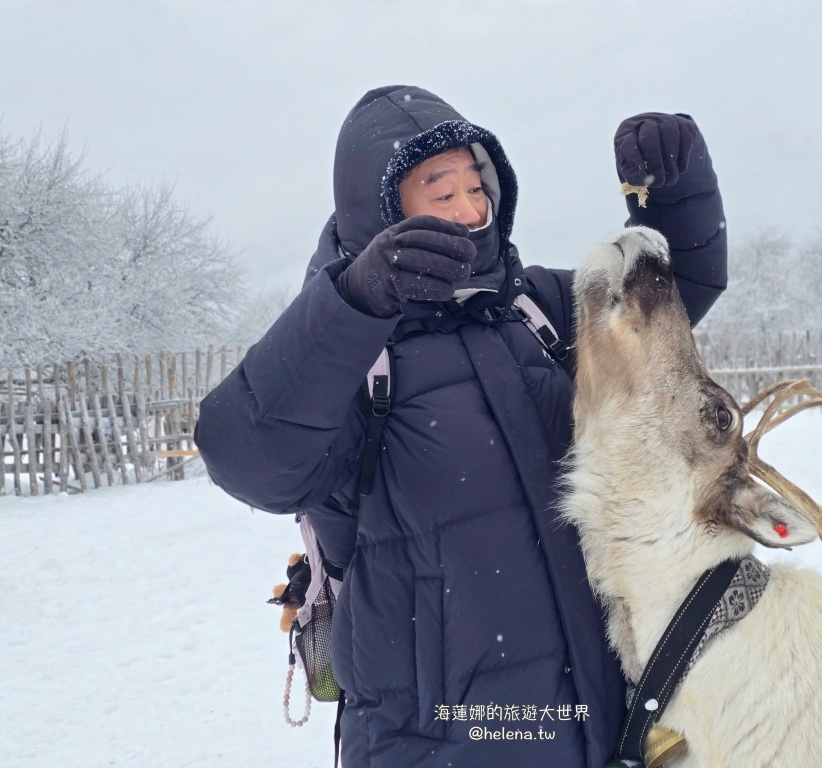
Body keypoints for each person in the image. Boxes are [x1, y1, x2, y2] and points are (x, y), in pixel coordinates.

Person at [195, 85, 727, 768]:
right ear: (382, 211)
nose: (472, 211)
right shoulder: (352, 356)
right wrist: (354, 306)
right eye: (441, 195)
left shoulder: (536, 310)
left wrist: (673, 192)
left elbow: (677, 303)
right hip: (443, 743)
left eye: (478, 187)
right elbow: (248, 460)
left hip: (603, 718)